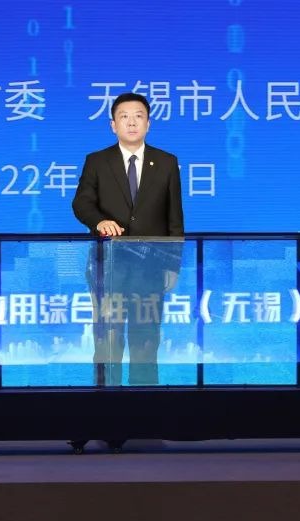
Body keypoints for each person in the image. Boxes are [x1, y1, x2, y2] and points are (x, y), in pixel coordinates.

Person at [72, 91, 185, 390]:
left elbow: (175, 219)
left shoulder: (166, 163)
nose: (131, 122)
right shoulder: (97, 161)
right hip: (108, 267)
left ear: (148, 124)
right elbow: (81, 203)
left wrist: (172, 265)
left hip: (151, 268)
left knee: (146, 339)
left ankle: (144, 404)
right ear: (113, 125)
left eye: (138, 117)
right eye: (124, 117)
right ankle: (106, 404)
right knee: (107, 339)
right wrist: (99, 221)